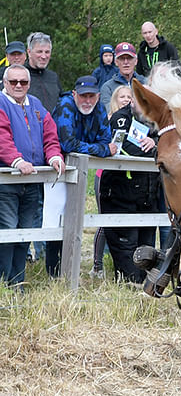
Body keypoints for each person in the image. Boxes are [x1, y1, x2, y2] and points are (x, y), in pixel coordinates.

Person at [0, 64, 65, 286]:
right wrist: (16, 160)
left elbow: (50, 136)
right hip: (7, 180)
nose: (19, 86)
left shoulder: (36, 105)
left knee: (25, 232)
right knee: (7, 230)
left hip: (33, 181)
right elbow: (2, 138)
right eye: (13, 82)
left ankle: (17, 282)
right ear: (5, 83)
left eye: (24, 82)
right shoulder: (0, 103)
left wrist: (55, 156)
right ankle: (3, 281)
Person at [50, 75, 116, 278]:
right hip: (56, 168)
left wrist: (99, 148)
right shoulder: (65, 106)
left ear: (97, 96)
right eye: (83, 95)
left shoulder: (99, 108)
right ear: (74, 94)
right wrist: (101, 149)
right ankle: (53, 272)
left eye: (92, 96)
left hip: (80, 170)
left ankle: (70, 269)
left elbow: (106, 137)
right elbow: (67, 144)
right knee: (56, 220)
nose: (87, 100)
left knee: (76, 218)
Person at [102, 84, 159, 282]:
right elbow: (122, 148)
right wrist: (154, 149)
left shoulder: (156, 120)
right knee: (128, 258)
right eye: (140, 99)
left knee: (147, 252)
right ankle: (129, 288)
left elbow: (172, 142)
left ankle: (144, 289)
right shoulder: (120, 118)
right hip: (121, 194)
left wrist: (156, 143)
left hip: (148, 195)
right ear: (133, 100)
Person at [99, 42, 146, 108]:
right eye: (122, 58)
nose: (126, 62)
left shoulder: (145, 83)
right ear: (116, 62)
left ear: (136, 61)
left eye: (129, 58)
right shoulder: (107, 87)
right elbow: (108, 112)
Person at [25, 32, 60, 116]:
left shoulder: (53, 77)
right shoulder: (19, 77)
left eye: (47, 52)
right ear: (29, 52)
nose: (44, 56)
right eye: (39, 52)